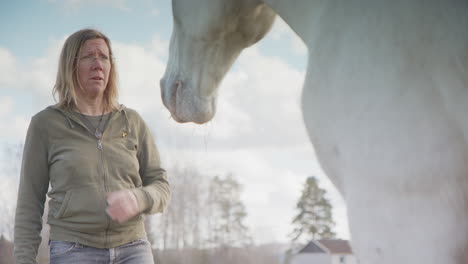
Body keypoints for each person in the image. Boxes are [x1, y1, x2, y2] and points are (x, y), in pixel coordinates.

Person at [14, 28, 170, 264]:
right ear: (70, 65)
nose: (98, 64)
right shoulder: (45, 124)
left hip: (133, 247)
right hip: (73, 249)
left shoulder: (132, 121)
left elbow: (161, 186)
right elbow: (29, 203)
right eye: (89, 56)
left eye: (104, 57)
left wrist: (140, 198)